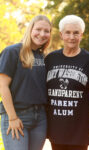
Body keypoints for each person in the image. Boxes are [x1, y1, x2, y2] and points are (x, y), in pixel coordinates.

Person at [45, 15, 89, 150]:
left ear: (82, 35)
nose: (72, 37)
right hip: (56, 129)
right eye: (68, 32)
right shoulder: (50, 59)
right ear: (61, 35)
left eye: (76, 33)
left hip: (79, 132)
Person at [0, 15, 52, 150]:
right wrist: (12, 118)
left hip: (40, 118)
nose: (42, 34)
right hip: (17, 115)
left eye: (46, 31)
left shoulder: (43, 56)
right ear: (30, 29)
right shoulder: (12, 51)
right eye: (38, 29)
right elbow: (2, 86)